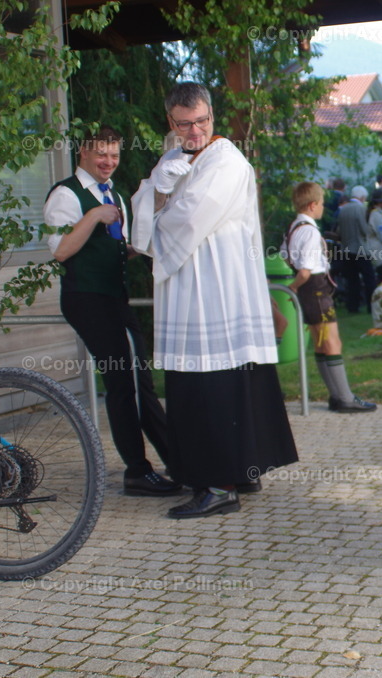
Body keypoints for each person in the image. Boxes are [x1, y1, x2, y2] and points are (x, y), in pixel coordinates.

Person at [131, 82, 298, 519]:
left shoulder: (226, 160)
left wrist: (158, 204)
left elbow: (187, 221)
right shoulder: (174, 156)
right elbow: (144, 203)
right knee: (217, 385)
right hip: (190, 291)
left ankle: (220, 485)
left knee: (214, 386)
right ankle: (241, 471)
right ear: (171, 122)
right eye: (184, 124)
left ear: (212, 115)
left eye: (201, 121)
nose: (195, 131)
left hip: (215, 293)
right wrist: (159, 190)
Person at [43, 126, 180, 498]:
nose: (109, 162)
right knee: (124, 384)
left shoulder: (114, 195)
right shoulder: (66, 194)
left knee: (138, 381)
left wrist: (145, 244)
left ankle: (175, 460)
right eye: (101, 154)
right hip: (87, 298)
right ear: (83, 153)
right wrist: (93, 216)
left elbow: (118, 248)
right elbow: (61, 250)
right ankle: (140, 471)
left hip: (113, 299)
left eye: (114, 155)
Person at [281, 181, 377, 413]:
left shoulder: (294, 227)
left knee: (321, 342)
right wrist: (293, 288)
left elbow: (285, 255)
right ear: (312, 205)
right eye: (322, 203)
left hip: (310, 291)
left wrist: (297, 285)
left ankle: (336, 396)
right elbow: (305, 271)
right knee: (332, 342)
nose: (323, 207)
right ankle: (344, 397)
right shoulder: (310, 231)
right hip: (316, 289)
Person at [337, 185, 377, 313]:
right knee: (369, 278)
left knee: (352, 280)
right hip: (360, 248)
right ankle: (371, 306)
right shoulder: (360, 208)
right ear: (362, 197)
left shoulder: (343, 209)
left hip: (346, 249)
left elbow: (339, 231)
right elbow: (364, 229)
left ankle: (352, 306)